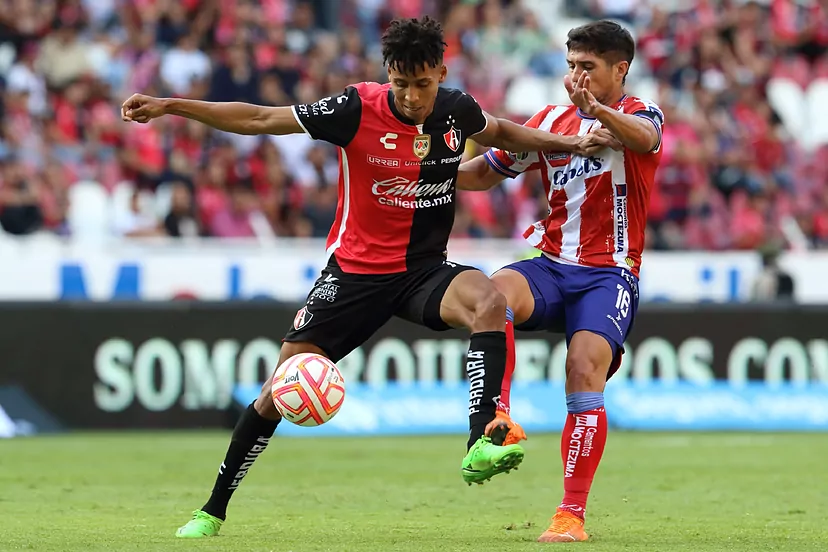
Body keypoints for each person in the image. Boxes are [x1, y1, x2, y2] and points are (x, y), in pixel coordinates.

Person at [121, 16, 619, 539]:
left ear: (441, 73)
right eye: (400, 84)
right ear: (388, 75)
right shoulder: (355, 108)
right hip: (354, 277)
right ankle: (212, 509)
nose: (410, 96)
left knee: (489, 301)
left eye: (422, 84)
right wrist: (170, 105)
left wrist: (566, 145)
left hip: (422, 272)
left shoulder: (456, 109)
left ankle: (482, 438)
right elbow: (263, 118)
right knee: (276, 392)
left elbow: (500, 133)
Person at [458, 20, 664, 543]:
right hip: (550, 265)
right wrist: (426, 168)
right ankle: (498, 422)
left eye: (587, 68)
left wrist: (599, 114)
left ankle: (570, 514)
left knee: (582, 368)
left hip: (608, 274)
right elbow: (487, 171)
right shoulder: (551, 120)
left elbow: (645, 140)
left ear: (620, 69)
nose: (575, 77)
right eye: (571, 65)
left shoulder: (640, 115)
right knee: (491, 293)